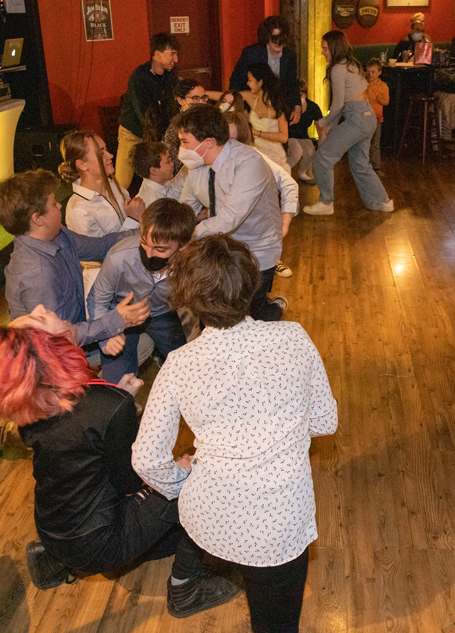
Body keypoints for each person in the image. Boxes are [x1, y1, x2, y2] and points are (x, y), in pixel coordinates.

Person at [0, 306, 240, 620]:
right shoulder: (106, 405)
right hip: (98, 543)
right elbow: (130, 481)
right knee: (198, 483)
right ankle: (185, 589)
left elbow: (77, 437)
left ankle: (53, 562)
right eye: (38, 318)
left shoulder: (31, 406)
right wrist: (180, 468)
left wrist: (117, 403)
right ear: (50, 348)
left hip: (51, 530)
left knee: (162, 527)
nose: (39, 308)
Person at [132, 233, 338, 633]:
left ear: (189, 298)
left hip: (210, 518)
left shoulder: (179, 364)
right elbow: (324, 421)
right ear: (250, 284)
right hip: (279, 524)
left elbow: (146, 458)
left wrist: (180, 482)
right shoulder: (293, 337)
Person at [0, 169, 145, 347]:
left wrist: (145, 231)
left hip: (78, 330)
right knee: (140, 342)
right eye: (54, 203)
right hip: (60, 352)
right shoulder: (37, 274)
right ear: (38, 219)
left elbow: (100, 246)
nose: (59, 206)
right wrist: (114, 321)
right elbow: (59, 338)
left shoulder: (56, 234)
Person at [172, 104, 287, 321]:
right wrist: (175, 230)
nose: (181, 148)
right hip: (220, 247)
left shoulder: (249, 163)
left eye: (184, 141)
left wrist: (187, 237)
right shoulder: (197, 164)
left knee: (253, 312)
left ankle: (273, 310)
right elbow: (187, 206)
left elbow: (228, 219)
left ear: (208, 143)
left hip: (256, 248)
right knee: (222, 311)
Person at [87, 198, 194, 384]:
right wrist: (106, 337)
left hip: (161, 314)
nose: (149, 254)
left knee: (187, 366)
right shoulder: (118, 257)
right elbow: (97, 299)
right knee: (118, 385)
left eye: (160, 249)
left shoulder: (192, 264)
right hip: (120, 314)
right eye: (144, 243)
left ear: (183, 246)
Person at [303, 31, 393, 216]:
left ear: (334, 48)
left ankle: (326, 203)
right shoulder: (350, 64)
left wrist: (323, 122)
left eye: (325, 48)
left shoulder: (338, 68)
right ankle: (383, 202)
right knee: (360, 165)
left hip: (357, 119)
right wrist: (329, 126)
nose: (322, 52)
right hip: (367, 117)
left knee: (322, 158)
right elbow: (343, 106)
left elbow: (338, 105)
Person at [223, 109, 299, 279]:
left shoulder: (254, 157)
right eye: (224, 139)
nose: (229, 145)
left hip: (255, 234)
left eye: (233, 139)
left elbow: (288, 183)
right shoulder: (209, 159)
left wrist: (284, 223)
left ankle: (272, 260)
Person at [116, 33, 180, 189]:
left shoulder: (170, 75)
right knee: (122, 182)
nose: (176, 59)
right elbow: (144, 115)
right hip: (133, 133)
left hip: (157, 134)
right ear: (157, 54)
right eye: (172, 54)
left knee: (166, 177)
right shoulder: (140, 77)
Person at [59, 131, 138, 237]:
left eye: (106, 150)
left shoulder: (112, 185)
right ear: (82, 164)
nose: (110, 155)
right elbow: (104, 248)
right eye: (101, 154)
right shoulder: (79, 211)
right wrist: (133, 219)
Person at [229, 16, 302, 124]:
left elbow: (292, 83)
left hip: (278, 110)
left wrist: (297, 106)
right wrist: (243, 110)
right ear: (267, 37)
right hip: (252, 109)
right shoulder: (251, 54)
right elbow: (236, 82)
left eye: (281, 38)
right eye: (274, 38)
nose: (278, 42)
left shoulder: (289, 55)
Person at [242, 63, 290, 172]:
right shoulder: (251, 97)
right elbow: (227, 96)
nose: (247, 83)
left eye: (250, 80)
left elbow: (284, 137)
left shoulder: (276, 104)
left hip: (274, 157)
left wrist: (257, 133)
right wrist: (204, 94)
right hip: (259, 154)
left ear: (260, 82)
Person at [163, 79, 207, 175]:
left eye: (203, 98)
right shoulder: (177, 126)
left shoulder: (206, 118)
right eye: (195, 98)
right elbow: (175, 163)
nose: (201, 102)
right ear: (180, 100)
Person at [286, 80, 322, 183]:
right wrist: (286, 143)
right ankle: (283, 173)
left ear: (305, 94)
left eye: (302, 94)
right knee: (296, 152)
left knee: (310, 153)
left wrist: (322, 146)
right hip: (290, 134)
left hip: (303, 135)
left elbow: (320, 127)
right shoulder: (289, 106)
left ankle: (302, 173)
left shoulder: (312, 107)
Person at [364, 59, 390, 174]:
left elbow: (387, 102)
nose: (370, 74)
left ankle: (376, 166)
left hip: (376, 118)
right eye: (368, 71)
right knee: (365, 142)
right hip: (364, 117)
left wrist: (381, 99)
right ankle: (365, 165)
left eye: (373, 72)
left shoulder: (383, 86)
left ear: (379, 72)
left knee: (375, 142)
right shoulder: (364, 84)